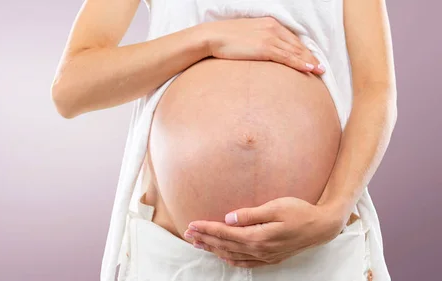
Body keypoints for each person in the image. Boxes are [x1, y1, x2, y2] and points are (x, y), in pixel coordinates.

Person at [51, 0, 397, 280]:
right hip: (180, 256)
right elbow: (72, 87)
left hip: (317, 254)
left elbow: (376, 91)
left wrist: (333, 213)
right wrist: (208, 38)